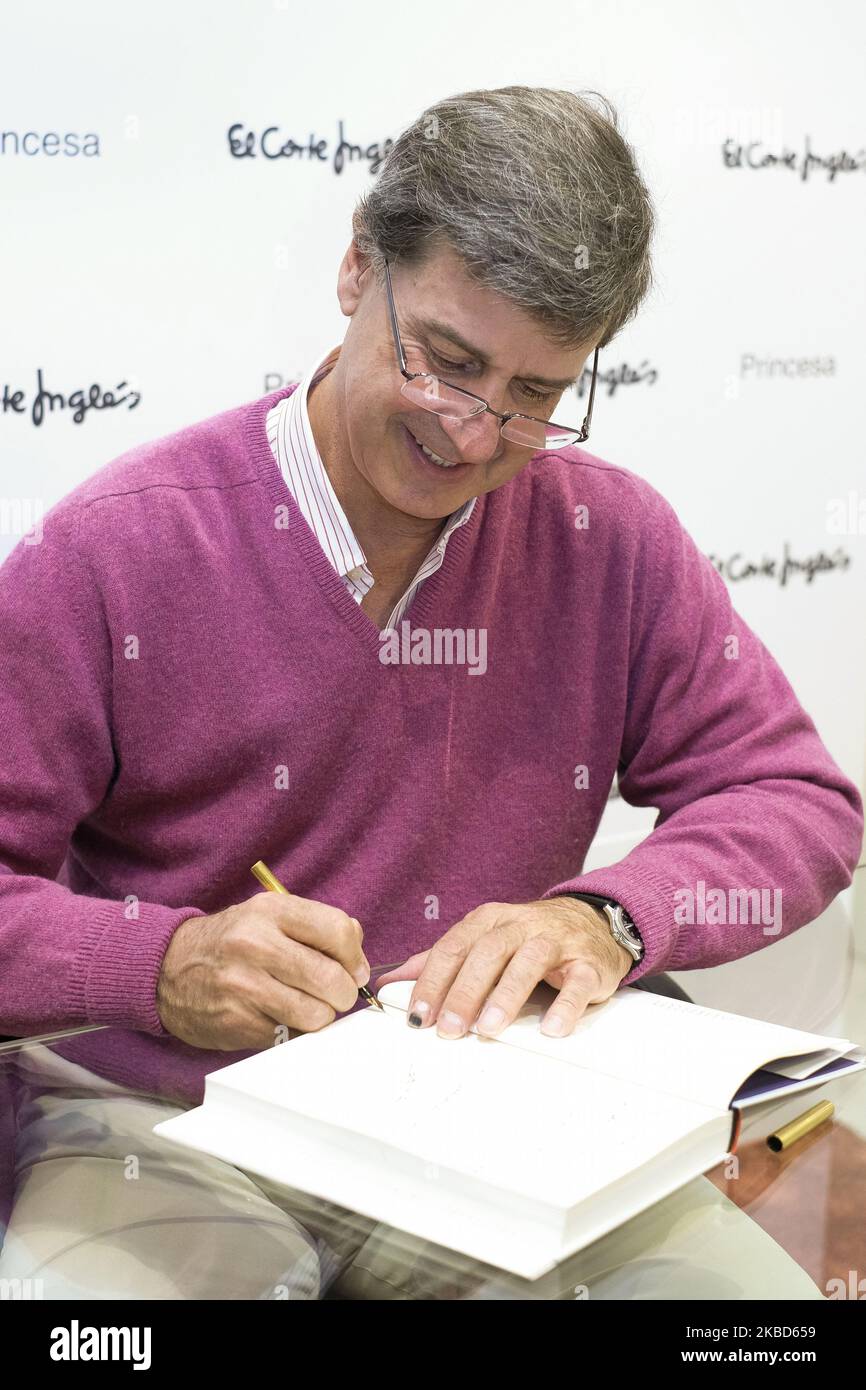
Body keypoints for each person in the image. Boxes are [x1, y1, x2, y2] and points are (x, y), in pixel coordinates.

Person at [0, 85, 860, 1300]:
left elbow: (798, 799)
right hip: (164, 1125)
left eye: (535, 396)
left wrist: (602, 920)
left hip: (499, 1130)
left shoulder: (603, 536)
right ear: (358, 269)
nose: (472, 435)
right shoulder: (112, 549)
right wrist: (163, 964)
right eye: (446, 364)